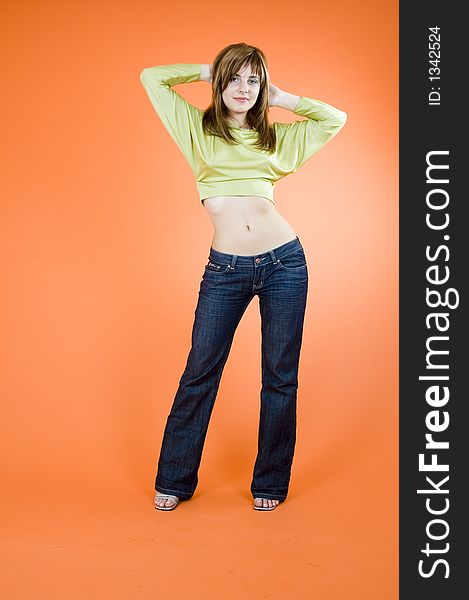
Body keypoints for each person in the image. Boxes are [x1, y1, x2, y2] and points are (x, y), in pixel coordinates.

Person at [139, 42, 347, 512]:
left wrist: (282, 97)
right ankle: (174, 477)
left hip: (284, 264)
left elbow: (335, 118)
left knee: (280, 377)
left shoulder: (277, 139)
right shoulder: (195, 129)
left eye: (253, 81)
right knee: (200, 372)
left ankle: (270, 483)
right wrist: (209, 69)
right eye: (235, 78)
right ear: (220, 81)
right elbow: (152, 76)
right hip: (226, 270)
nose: (243, 89)